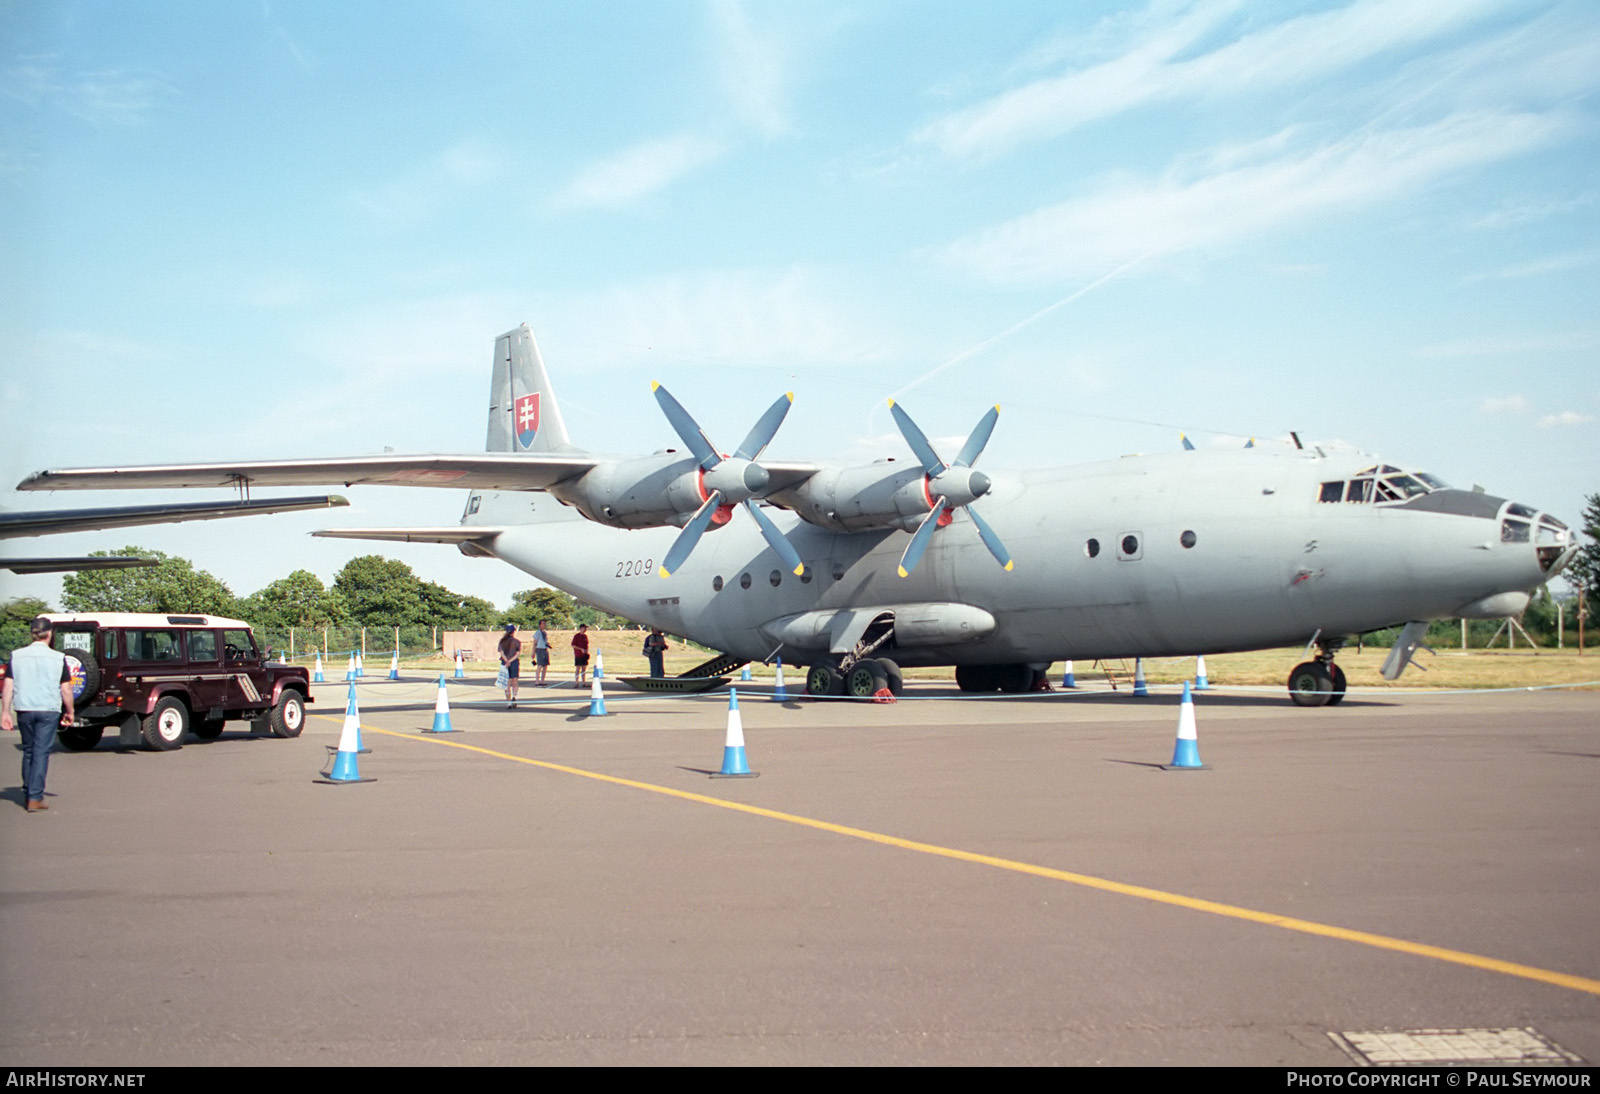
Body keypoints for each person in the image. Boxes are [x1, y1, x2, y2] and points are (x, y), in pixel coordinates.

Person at [1, 616, 75, 812]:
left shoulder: (16, 656)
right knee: (41, 752)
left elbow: (8, 685)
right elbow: (66, 689)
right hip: (48, 709)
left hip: (24, 708)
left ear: (32, 633)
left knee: (29, 750)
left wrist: (5, 712)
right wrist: (70, 711)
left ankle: (28, 789)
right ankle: (35, 796)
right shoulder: (58, 658)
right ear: (49, 634)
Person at [497, 623, 522, 708]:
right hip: (514, 662)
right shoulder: (517, 642)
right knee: (515, 681)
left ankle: (508, 702)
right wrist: (511, 661)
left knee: (507, 683)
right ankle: (514, 696)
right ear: (513, 631)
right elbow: (517, 654)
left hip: (504, 663)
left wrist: (507, 661)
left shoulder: (502, 641)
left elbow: (501, 653)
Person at [532, 620, 550, 686]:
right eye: (543, 623)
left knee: (545, 665)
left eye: (545, 623)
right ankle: (537, 681)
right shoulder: (537, 633)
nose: (544, 625)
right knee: (539, 665)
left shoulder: (545, 633)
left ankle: (543, 680)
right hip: (539, 649)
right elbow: (535, 643)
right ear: (540, 625)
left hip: (545, 649)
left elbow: (545, 641)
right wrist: (533, 652)